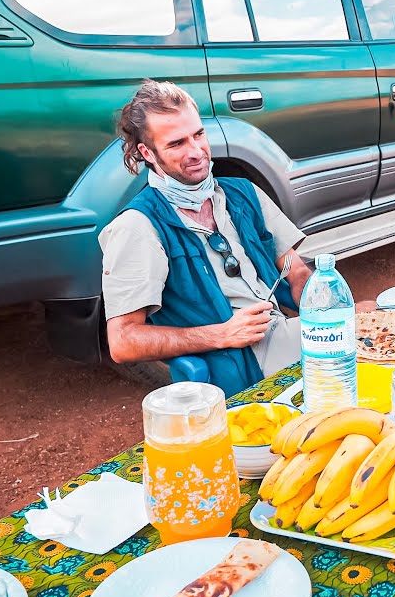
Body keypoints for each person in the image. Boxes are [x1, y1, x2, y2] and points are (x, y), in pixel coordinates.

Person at [100, 79, 312, 397]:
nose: (196, 151)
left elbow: (295, 271)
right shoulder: (137, 227)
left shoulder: (244, 193)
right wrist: (222, 334)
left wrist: (327, 312)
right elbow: (123, 341)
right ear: (148, 152)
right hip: (236, 373)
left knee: (387, 338)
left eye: (198, 134)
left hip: (291, 343)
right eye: (177, 144)